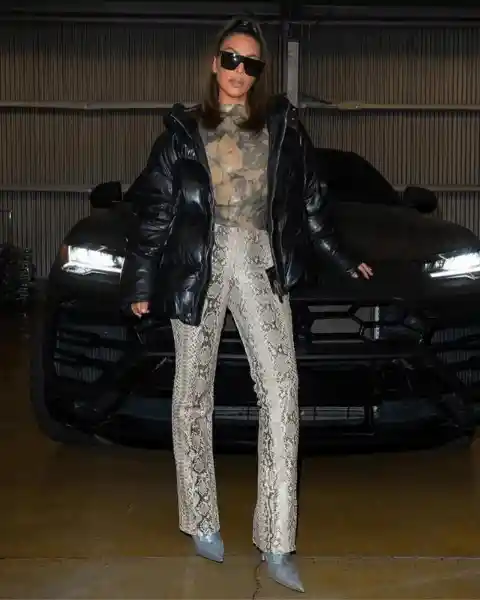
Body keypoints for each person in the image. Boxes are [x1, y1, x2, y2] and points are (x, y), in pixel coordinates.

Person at [122, 17, 373, 593]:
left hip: (259, 258)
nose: (240, 71)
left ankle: (278, 540)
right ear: (215, 63)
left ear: (259, 72)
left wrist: (341, 254)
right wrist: (139, 282)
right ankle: (201, 519)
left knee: (282, 391)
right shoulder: (183, 132)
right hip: (199, 264)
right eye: (231, 59)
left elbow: (311, 200)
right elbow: (156, 210)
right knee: (192, 394)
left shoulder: (281, 127)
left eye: (251, 63)